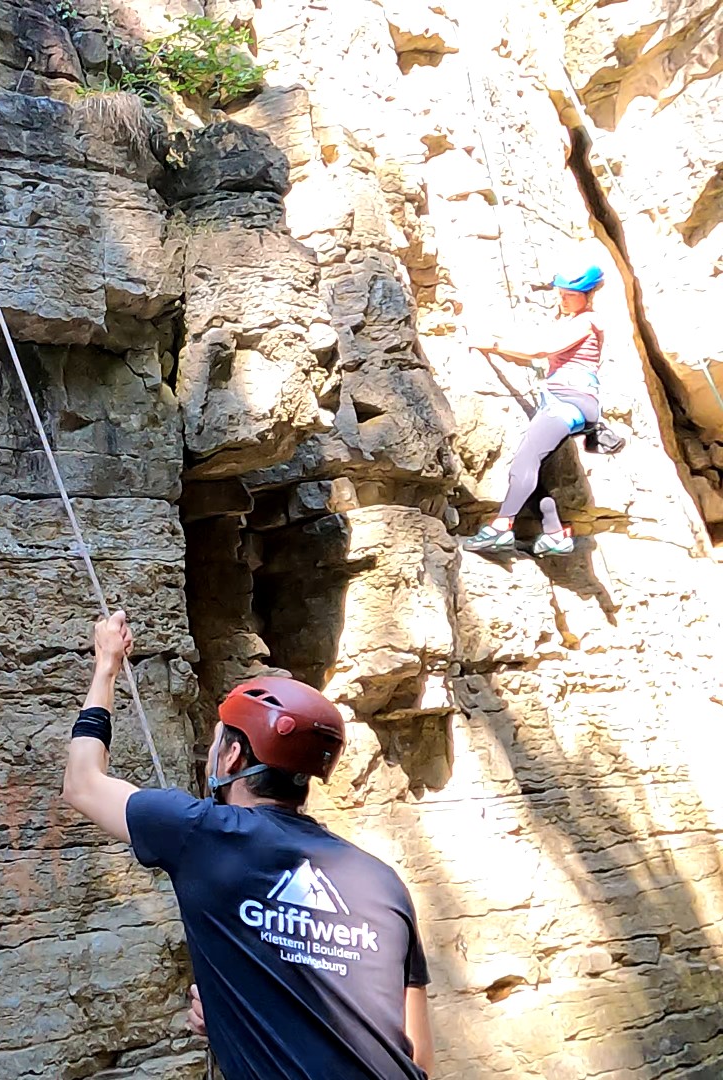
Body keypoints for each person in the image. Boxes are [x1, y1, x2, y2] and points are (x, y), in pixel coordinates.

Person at [60, 612, 435, 1079]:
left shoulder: (203, 833)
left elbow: (82, 782)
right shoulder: (383, 883)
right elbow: (415, 1055)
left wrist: (106, 665)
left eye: (218, 741)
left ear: (233, 756)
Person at [461, 265, 608, 557]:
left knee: (522, 465)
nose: (563, 299)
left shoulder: (586, 322)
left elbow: (541, 350)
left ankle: (500, 528)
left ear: (588, 295)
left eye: (570, 295)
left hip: (567, 402)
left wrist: (492, 345)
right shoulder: (574, 321)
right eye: (561, 294)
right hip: (573, 402)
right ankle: (554, 533)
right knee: (533, 473)